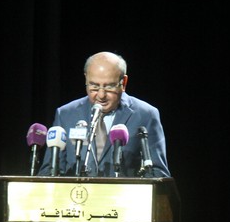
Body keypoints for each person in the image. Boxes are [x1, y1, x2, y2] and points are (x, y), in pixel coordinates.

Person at [38, 51, 171, 178]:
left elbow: (158, 173)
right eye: (94, 86)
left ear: (123, 83)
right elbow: (49, 172)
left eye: (109, 87)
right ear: (86, 79)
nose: (101, 95)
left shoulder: (146, 115)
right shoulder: (66, 114)